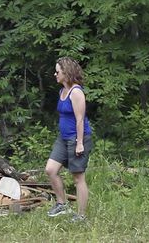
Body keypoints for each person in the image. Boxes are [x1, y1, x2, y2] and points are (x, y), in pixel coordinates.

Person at [45, 56, 92, 222]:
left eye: (57, 71)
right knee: (50, 170)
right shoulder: (62, 91)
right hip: (63, 139)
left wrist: (79, 143)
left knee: (78, 177)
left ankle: (81, 215)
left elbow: (80, 119)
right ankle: (62, 204)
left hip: (77, 139)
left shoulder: (76, 92)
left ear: (66, 72)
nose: (55, 74)